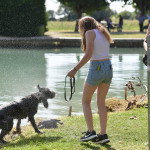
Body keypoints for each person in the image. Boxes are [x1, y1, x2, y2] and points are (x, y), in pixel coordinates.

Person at [67, 16, 113, 144]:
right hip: (108, 67)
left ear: (84, 26)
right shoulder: (103, 31)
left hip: (97, 67)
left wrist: (74, 69)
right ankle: (103, 135)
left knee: (85, 101)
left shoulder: (89, 33)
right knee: (101, 103)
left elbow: (88, 55)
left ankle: (90, 132)